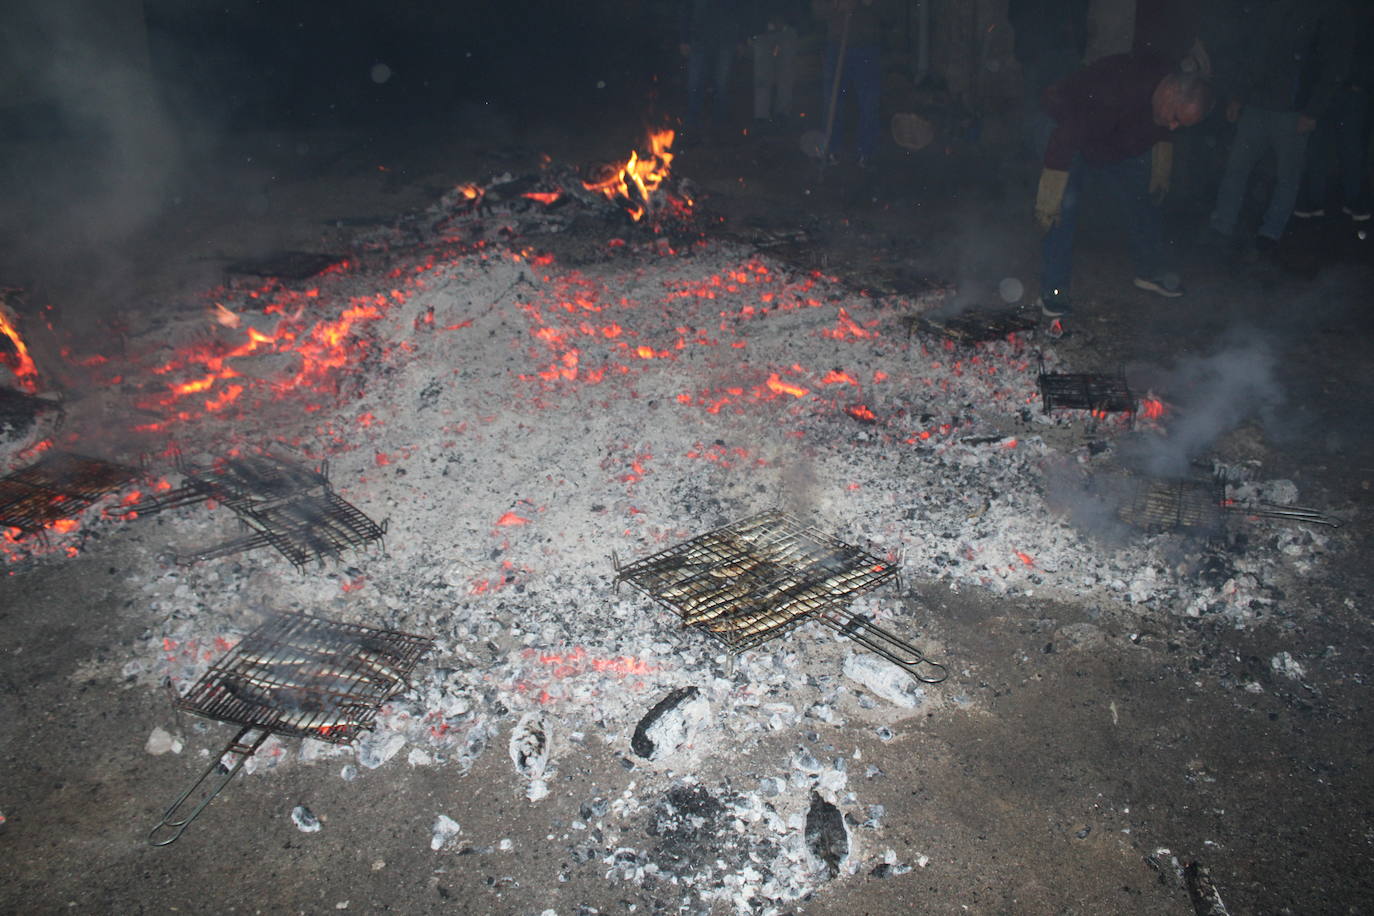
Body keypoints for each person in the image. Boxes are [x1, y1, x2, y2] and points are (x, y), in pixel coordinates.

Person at [1032, 53, 1214, 318]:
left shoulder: (1164, 99)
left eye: (1180, 125)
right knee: (1062, 206)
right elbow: (1069, 133)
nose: (1173, 127)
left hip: (1110, 138)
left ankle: (1150, 271)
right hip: (1063, 126)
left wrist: (1159, 164)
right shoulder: (1117, 88)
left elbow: (1156, 130)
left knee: (1142, 194)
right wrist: (1052, 187)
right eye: (1175, 117)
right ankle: (1054, 292)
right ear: (1172, 92)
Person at [1205, 0, 1345, 255]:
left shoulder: (1321, 12)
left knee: (1287, 178)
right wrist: (1238, 96)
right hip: (1257, 105)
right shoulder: (1268, 8)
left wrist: (1313, 110)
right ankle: (1222, 225)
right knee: (1236, 168)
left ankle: (1270, 233)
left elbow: (1333, 65)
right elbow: (1253, 54)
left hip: (1293, 113)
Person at [1293, 1, 1373, 222]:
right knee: (1319, 144)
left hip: (1350, 92)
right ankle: (1315, 200)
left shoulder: (1362, 12)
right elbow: (1315, 50)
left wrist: (1360, 82)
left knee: (1351, 148)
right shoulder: (1326, 10)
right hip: (1325, 90)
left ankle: (1353, 200)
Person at [1007, 0, 1090, 161]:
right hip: (1040, 48)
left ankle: (1052, 152)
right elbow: (1015, 12)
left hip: (1060, 48)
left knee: (1057, 104)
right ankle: (1037, 152)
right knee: (1037, 103)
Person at [812, 0, 883, 168]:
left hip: (867, 45)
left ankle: (866, 152)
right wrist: (836, 5)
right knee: (833, 100)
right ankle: (831, 149)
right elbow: (817, 10)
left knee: (869, 101)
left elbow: (889, 11)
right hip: (837, 44)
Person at [680, 0, 746, 142]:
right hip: (700, 37)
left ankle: (719, 130)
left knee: (721, 85)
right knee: (695, 85)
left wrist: (741, 39)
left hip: (725, 38)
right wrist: (684, 38)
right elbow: (687, 7)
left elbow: (738, 8)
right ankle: (692, 130)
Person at [749, 1, 803, 128]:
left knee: (786, 74)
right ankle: (762, 117)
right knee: (762, 77)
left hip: (787, 27)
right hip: (762, 29)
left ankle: (782, 115)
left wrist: (789, 21)